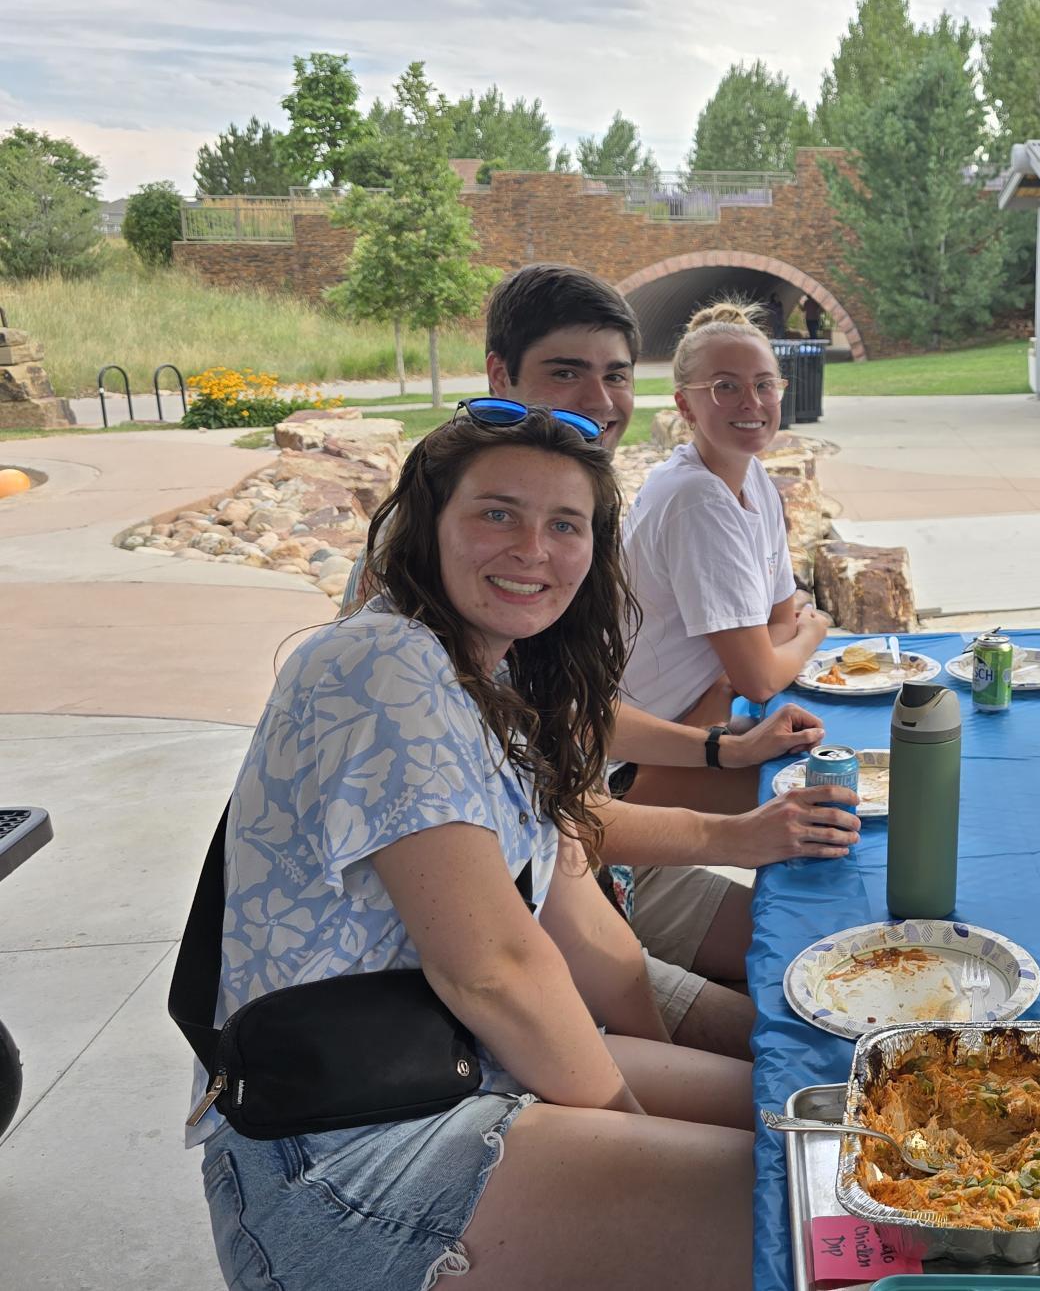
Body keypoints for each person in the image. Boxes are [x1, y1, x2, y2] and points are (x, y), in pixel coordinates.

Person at [193, 407, 753, 1290]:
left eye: (565, 524)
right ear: (431, 527)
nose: (533, 546)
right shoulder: (383, 663)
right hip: (343, 1144)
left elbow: (585, 933)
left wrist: (656, 1098)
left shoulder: (492, 683)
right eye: (497, 513)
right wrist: (642, 1131)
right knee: (780, 1207)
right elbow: (492, 969)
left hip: (460, 1064)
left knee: (804, 1116)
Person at [357, 264, 857, 1060]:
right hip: (482, 965)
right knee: (795, 1045)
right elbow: (519, 912)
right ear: (498, 376)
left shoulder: (570, 522)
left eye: (616, 375)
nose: (599, 399)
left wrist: (723, 749)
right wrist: (735, 834)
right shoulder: (428, 580)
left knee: (820, 989)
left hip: (592, 882)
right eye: (566, 373)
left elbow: (566, 711)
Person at [620, 300, 831, 800]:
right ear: (684, 405)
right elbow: (761, 676)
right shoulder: (695, 499)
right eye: (725, 387)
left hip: (700, 724)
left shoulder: (752, 476)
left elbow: (776, 621)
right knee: (834, 806)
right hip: (633, 762)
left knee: (842, 781)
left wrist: (727, 679)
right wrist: (814, 633)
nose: (751, 402)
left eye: (764, 384)